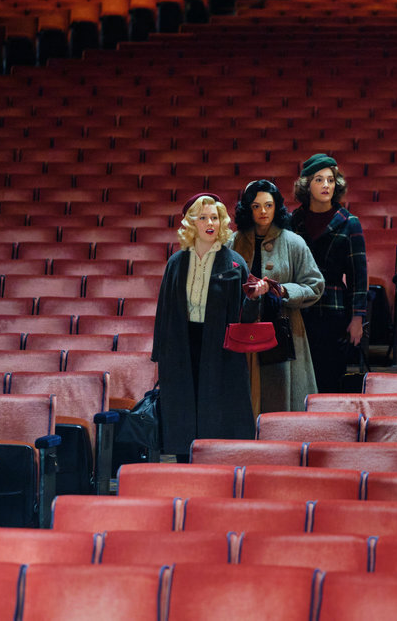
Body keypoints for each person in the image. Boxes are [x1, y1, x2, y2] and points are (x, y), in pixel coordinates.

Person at [152, 192, 269, 462]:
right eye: (202, 217)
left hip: (220, 346)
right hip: (182, 344)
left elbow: (245, 318)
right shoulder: (176, 263)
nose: (209, 223)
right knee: (184, 408)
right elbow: (164, 311)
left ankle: (217, 466)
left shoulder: (235, 262)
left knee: (218, 409)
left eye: (214, 217)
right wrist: (160, 354)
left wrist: (254, 298)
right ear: (191, 222)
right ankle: (185, 465)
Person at [227, 179, 324, 414]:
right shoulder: (233, 241)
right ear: (247, 209)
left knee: (281, 401)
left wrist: (283, 291)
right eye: (256, 206)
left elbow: (315, 285)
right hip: (245, 329)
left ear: (277, 207)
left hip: (284, 328)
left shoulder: (294, 242)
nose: (263, 212)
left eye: (268, 205)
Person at [291, 153, 368, 393]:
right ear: (307, 185)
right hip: (299, 307)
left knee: (330, 378)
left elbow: (358, 276)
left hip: (333, 308)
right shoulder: (293, 221)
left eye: (331, 180)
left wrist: (358, 318)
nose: (326, 185)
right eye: (319, 180)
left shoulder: (349, 222)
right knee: (300, 378)